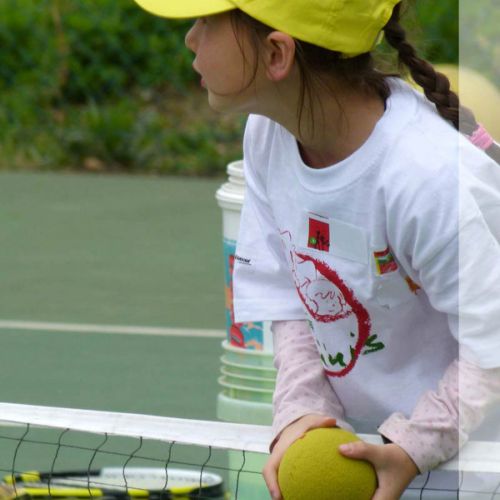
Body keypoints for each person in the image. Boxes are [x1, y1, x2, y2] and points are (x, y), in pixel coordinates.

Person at [134, 1, 500, 498]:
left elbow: (491, 349)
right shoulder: (268, 134)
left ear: (276, 54)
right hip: (376, 457)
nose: (191, 39)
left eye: (209, 22)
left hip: (476, 470)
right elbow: (289, 290)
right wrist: (302, 408)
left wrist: (414, 446)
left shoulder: (427, 181)